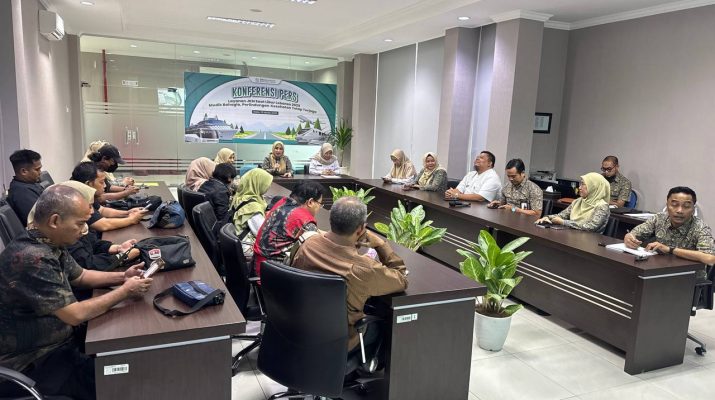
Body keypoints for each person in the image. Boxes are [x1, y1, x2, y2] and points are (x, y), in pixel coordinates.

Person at [0, 186, 152, 400]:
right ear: (55, 221)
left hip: (60, 343)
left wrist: (123, 277)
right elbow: (74, 315)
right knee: (120, 383)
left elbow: (81, 276)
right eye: (80, 224)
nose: (84, 230)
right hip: (35, 361)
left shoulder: (48, 241)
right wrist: (125, 291)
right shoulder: (32, 258)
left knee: (129, 358)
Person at [291, 196, 408, 354]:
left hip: (300, 328)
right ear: (361, 229)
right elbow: (401, 279)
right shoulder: (363, 269)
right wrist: (381, 244)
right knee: (384, 324)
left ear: (331, 220)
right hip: (340, 341)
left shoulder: (307, 244)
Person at [26, 181, 141, 275]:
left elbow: (82, 274)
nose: (92, 211)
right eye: (89, 206)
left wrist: (117, 248)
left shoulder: (64, 230)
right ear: (55, 221)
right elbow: (86, 264)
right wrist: (121, 257)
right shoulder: (41, 254)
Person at [625, 187, 715, 266]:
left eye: (686, 206)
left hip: (689, 275)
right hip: (659, 268)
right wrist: (629, 237)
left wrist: (670, 250)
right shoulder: (659, 218)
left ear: (693, 209)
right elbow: (634, 233)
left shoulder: (700, 227)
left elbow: (710, 259)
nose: (679, 210)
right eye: (674, 205)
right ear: (667, 205)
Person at [253, 180, 324, 277]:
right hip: (272, 276)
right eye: (320, 204)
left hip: (258, 266)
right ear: (310, 202)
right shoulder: (304, 219)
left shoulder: (281, 203)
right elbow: (318, 248)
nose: (319, 208)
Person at [71, 162, 147, 234]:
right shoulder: (79, 201)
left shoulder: (88, 196)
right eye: (101, 182)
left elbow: (102, 210)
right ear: (88, 184)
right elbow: (103, 225)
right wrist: (131, 219)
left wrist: (128, 213)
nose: (105, 186)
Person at [535, 172, 611, 233]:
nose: (579, 188)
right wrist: (548, 218)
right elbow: (561, 216)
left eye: (583, 184)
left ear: (594, 187)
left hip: (590, 242)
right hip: (571, 236)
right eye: (580, 184)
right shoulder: (578, 201)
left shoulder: (602, 206)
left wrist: (564, 222)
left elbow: (590, 227)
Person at [231, 168, 273, 260]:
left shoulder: (242, 195)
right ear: (258, 183)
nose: (269, 186)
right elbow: (263, 234)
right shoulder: (252, 207)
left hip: (241, 241)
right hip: (248, 247)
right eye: (266, 184)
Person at [6, 149, 44, 226]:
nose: (40, 172)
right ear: (24, 171)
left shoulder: (29, 184)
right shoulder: (22, 193)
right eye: (37, 169)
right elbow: (41, 221)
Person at [198, 163, 237, 228]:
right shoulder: (222, 192)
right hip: (215, 227)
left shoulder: (206, 183)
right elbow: (222, 218)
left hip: (204, 223)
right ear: (229, 178)